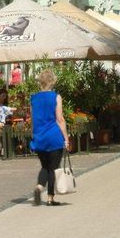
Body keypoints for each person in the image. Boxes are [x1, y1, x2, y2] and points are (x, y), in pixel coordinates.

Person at [28, 68, 69, 207]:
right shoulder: (56, 97)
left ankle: (39, 186)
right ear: (52, 82)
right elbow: (60, 119)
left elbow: (33, 120)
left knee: (45, 165)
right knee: (53, 167)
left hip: (39, 136)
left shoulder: (33, 98)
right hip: (53, 136)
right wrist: (66, 138)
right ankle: (50, 198)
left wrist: (33, 135)